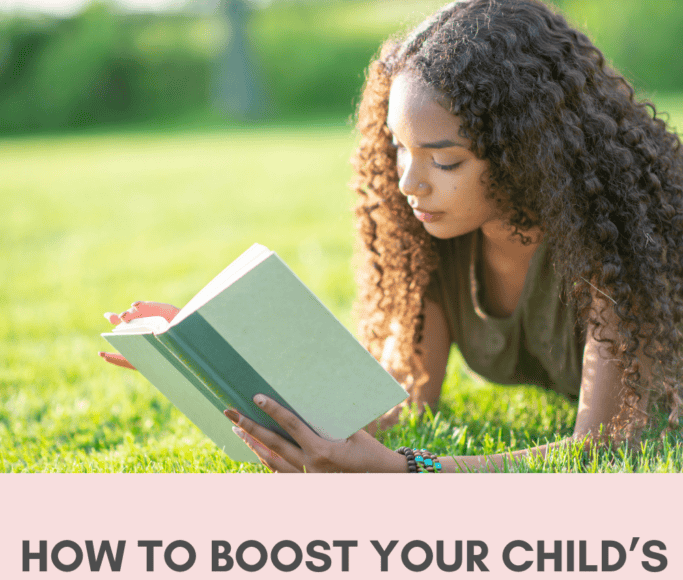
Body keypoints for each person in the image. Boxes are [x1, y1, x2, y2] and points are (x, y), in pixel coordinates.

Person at [103, 0, 683, 473]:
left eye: (446, 162)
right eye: (399, 148)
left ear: (529, 154)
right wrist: (211, 354)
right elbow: (399, 406)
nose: (408, 182)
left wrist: (406, 474)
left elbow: (606, 449)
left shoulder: (619, 244)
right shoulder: (438, 238)